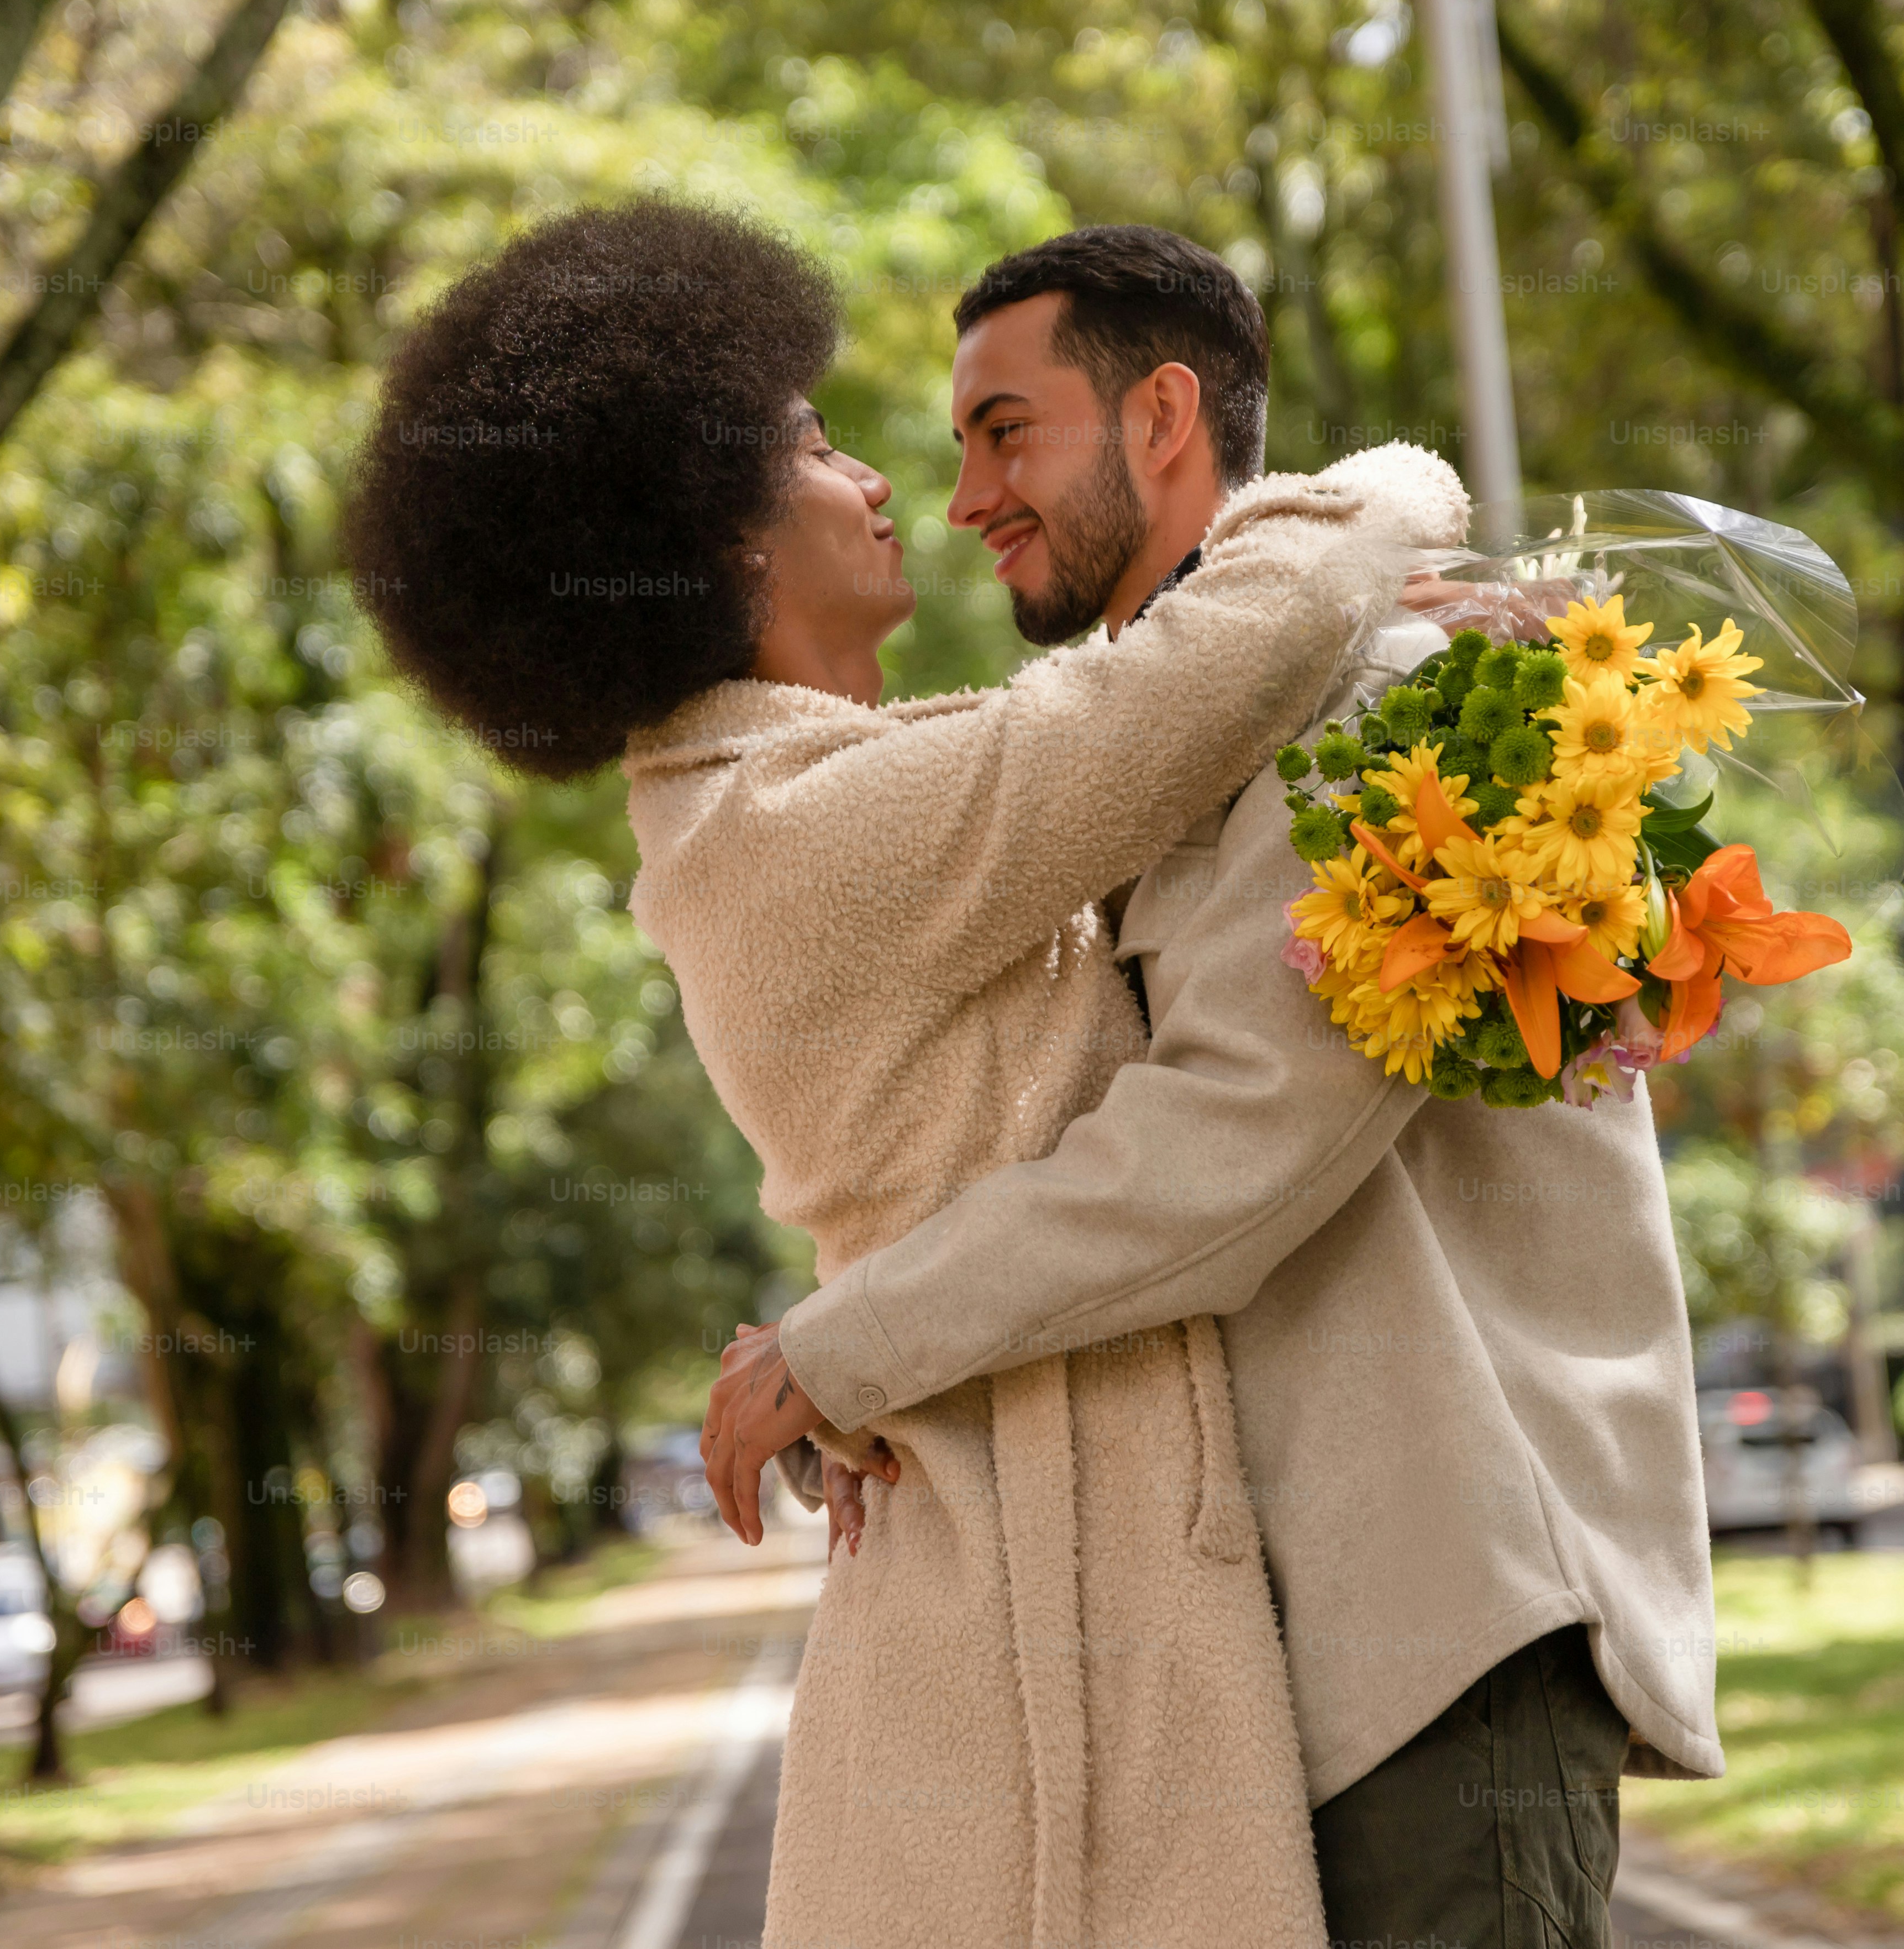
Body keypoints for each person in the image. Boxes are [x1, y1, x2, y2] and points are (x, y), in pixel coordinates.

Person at [343, 201, 1466, 1949]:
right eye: (814, 448)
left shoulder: (790, 801)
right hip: (1014, 1627)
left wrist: (828, 1353)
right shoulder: (795, 835)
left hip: (1017, 1576)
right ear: (707, 549)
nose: (889, 485)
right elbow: (1193, 680)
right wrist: (1397, 492)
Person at [706, 227, 1729, 1949]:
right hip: (1292, 1663)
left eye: (1004, 430)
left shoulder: (1369, 705)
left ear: (1161, 414)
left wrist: (839, 1352)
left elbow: (1212, 1162)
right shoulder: (1177, 730)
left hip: (1437, 1622)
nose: (964, 497)